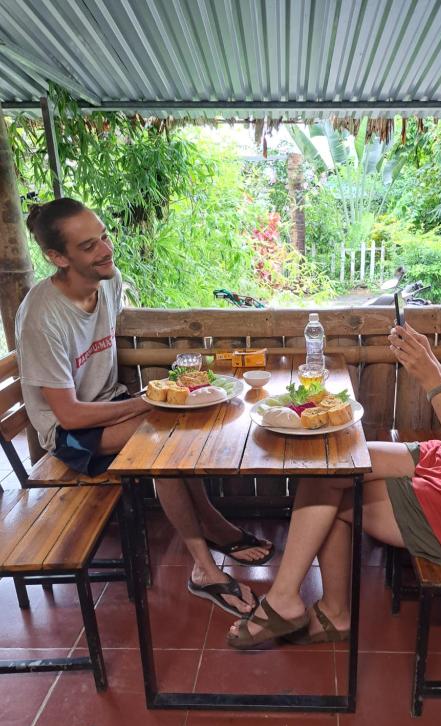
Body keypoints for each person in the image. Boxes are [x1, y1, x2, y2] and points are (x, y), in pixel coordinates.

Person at [228, 215, 441, 648]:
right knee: (333, 459)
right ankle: (320, 609)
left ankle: (291, 603)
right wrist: (428, 359)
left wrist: (431, 378)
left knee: (332, 485)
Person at [15, 198, 274, 619]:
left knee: (178, 419)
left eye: (104, 236)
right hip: (68, 433)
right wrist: (143, 403)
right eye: (88, 246)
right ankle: (205, 570)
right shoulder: (42, 317)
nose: (105, 250)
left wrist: (146, 400)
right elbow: (70, 417)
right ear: (56, 257)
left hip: (110, 403)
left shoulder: (108, 279)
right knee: (161, 442)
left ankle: (212, 526)